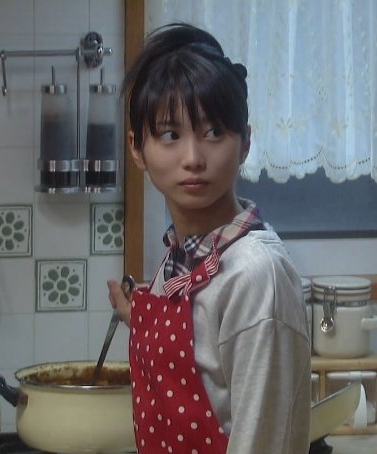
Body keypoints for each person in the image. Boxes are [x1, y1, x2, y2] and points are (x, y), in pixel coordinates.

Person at [106, 23, 312, 454]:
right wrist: (137, 315)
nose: (194, 158)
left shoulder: (256, 275)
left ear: (246, 143)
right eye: (170, 135)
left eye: (214, 132)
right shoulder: (180, 261)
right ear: (137, 148)